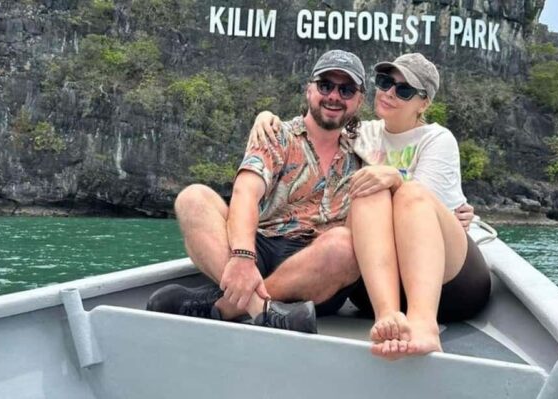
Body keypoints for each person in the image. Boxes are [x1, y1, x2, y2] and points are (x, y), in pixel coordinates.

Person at [250, 53, 491, 358]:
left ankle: (423, 325)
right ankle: (388, 317)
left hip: (446, 282)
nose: (390, 92)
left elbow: (425, 212)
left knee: (407, 194)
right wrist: (267, 117)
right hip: (378, 282)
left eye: (404, 90)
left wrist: (396, 179)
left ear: (424, 103)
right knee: (366, 187)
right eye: (386, 82)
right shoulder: (360, 133)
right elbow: (316, 127)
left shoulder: (436, 139)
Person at [145, 50, 368, 333]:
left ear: (359, 99)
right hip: (260, 244)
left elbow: (408, 131)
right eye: (325, 85)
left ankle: (224, 307)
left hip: (315, 269)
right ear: (309, 89)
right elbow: (246, 193)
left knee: (345, 245)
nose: (334, 96)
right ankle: (265, 311)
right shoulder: (275, 135)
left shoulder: (367, 150)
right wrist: (242, 256)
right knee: (193, 198)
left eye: (346, 89)